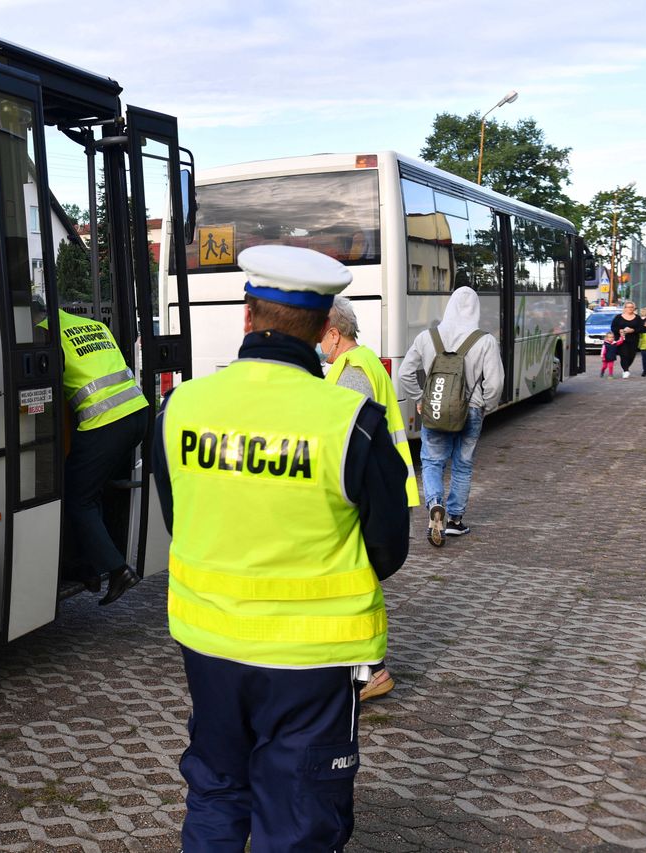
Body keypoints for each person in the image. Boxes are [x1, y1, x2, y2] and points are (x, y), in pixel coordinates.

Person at [154, 245, 410, 851]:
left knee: (216, 791)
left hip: (209, 645)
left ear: (247, 316)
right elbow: (389, 549)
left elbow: (178, 514)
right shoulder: (354, 421)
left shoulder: (179, 406)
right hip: (311, 663)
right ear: (325, 329)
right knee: (297, 815)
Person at [319, 294, 419, 703]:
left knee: (351, 587)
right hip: (381, 489)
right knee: (354, 586)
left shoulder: (353, 372)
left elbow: (348, 443)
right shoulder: (366, 360)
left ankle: (371, 671)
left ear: (333, 333)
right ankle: (362, 668)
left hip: (365, 496)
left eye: (318, 334)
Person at [37, 303, 147, 605]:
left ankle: (117, 570)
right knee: (91, 491)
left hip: (105, 421)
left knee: (76, 498)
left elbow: (43, 388)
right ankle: (87, 566)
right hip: (137, 413)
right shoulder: (91, 325)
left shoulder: (43, 334)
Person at [399, 286, 504, 547]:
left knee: (432, 462)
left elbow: (404, 374)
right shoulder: (485, 340)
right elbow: (495, 382)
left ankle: (435, 505)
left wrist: (420, 399)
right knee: (462, 465)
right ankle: (455, 521)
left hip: (435, 408)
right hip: (471, 410)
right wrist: (485, 406)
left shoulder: (427, 337)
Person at [610, 301, 644, 378]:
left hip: (633, 340)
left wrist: (633, 330)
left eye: (632, 307)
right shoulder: (618, 317)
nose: (630, 309)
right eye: (628, 307)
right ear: (624, 308)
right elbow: (613, 327)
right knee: (624, 355)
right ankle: (625, 370)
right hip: (622, 340)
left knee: (631, 356)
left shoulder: (637, 318)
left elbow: (641, 328)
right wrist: (620, 330)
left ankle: (626, 367)